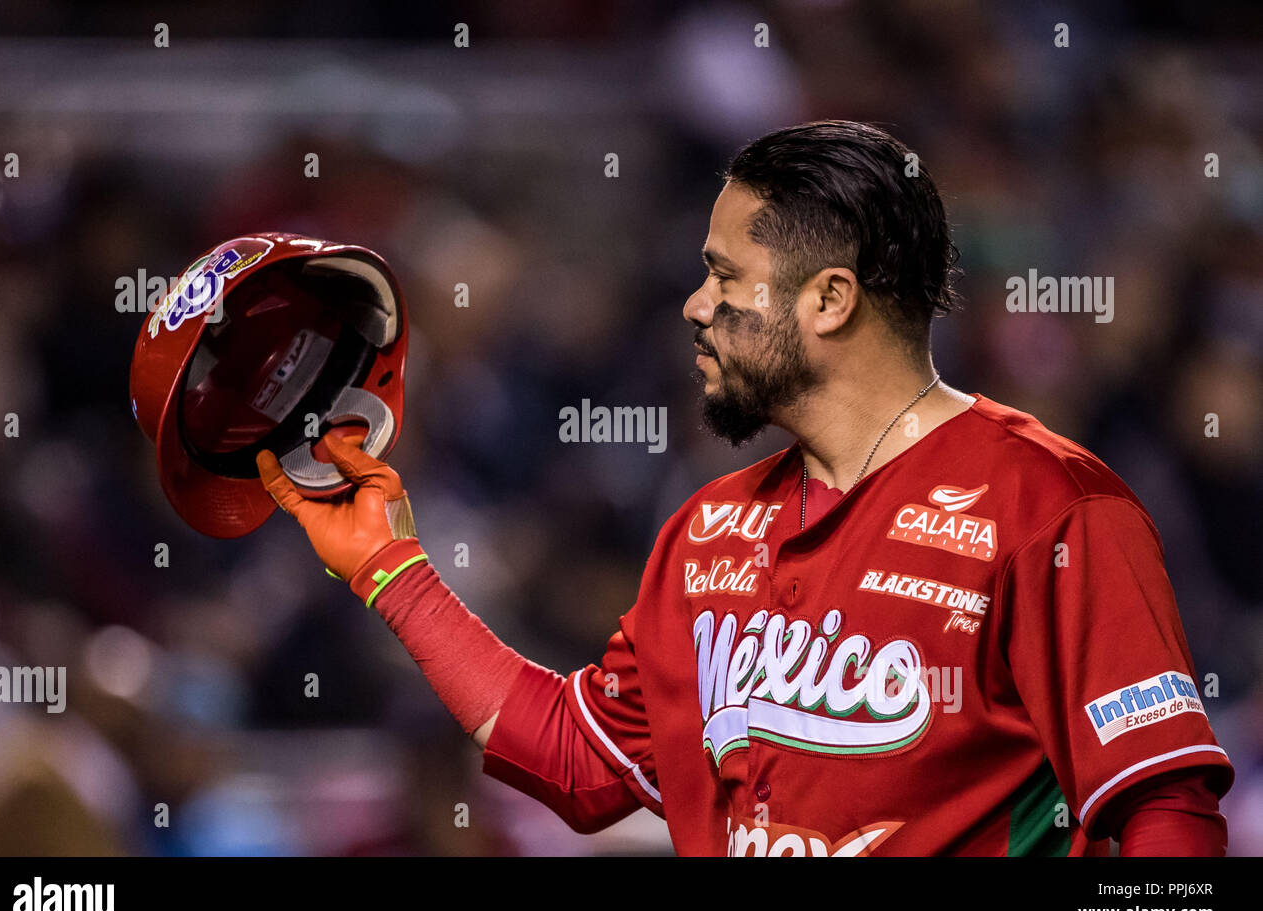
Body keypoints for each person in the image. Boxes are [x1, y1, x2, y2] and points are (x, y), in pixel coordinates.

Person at [257, 121, 1231, 856]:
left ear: (829, 299)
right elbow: (574, 757)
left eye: (725, 274)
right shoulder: (705, 532)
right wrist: (390, 566)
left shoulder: (1053, 506)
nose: (694, 304)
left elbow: (1164, 813)